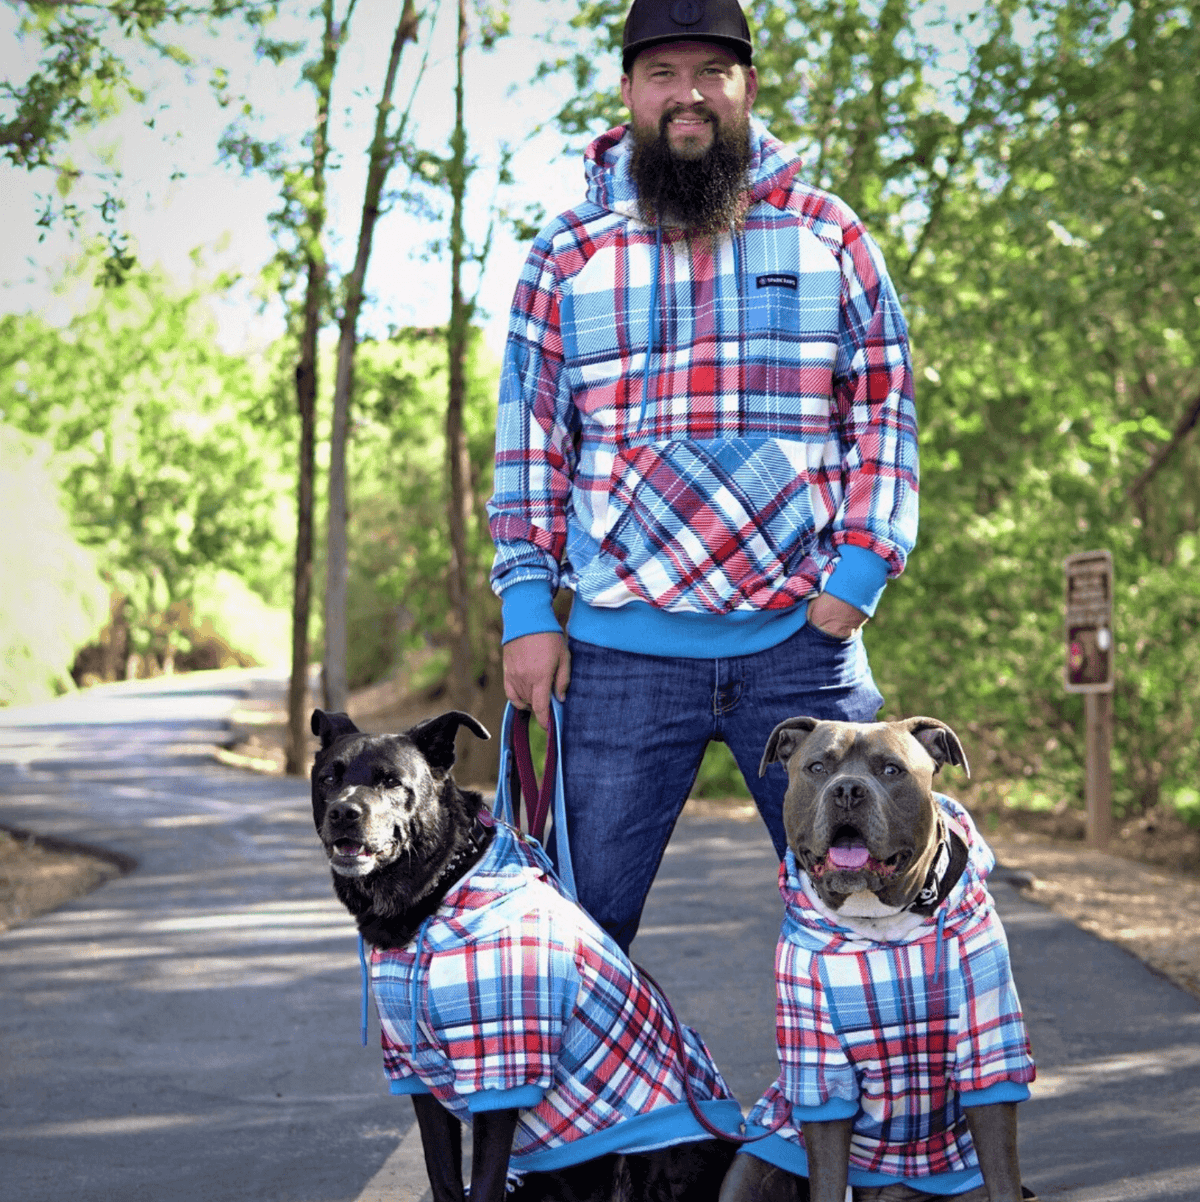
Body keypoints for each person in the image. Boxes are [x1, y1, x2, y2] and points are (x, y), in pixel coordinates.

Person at [487, 0, 918, 953]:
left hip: (802, 648)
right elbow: (529, 439)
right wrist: (527, 609)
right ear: (630, 92)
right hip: (620, 651)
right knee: (577, 934)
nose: (687, 96)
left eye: (710, 73)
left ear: (747, 87)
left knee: (873, 920)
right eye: (662, 75)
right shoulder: (567, 253)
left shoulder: (830, 236)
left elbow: (883, 413)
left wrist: (859, 577)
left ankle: (868, 1107)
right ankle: (576, 1111)